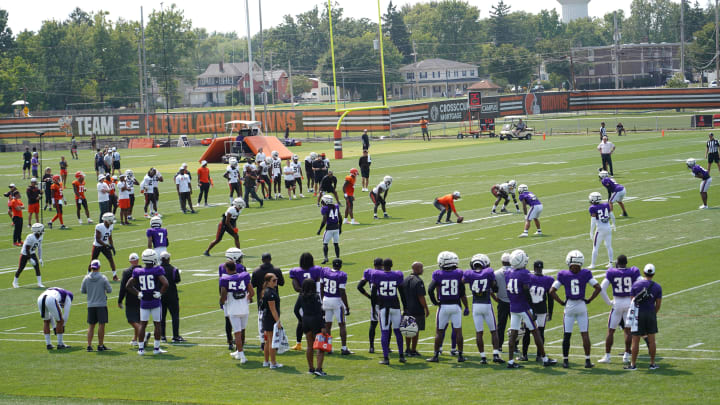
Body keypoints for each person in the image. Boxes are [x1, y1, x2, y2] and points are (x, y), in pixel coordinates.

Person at [549, 250, 602, 369]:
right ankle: (587, 360)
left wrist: (561, 302)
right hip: (581, 305)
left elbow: (552, 291)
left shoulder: (563, 275)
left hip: (570, 306)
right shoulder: (585, 273)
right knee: (584, 334)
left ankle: (565, 361)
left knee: (567, 335)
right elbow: (598, 288)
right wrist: (589, 299)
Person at [504, 249, 555, 368]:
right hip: (524, 307)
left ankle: (511, 361)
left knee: (513, 334)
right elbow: (526, 291)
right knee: (536, 332)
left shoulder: (508, 273)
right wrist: (531, 307)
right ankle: (544, 358)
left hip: (513, 307)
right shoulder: (524, 273)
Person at [426, 251, 469, 363]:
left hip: (443, 306)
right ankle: (460, 355)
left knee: (439, 332)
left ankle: (436, 355)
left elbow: (430, 289)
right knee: (458, 331)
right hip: (456, 306)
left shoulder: (438, 274)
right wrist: (466, 307)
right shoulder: (459, 273)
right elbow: (462, 292)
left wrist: (435, 302)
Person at [598, 254, 640, 364]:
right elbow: (642, 283)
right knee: (628, 330)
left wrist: (609, 302)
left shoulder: (612, 272)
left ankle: (607, 356)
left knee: (611, 330)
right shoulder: (633, 271)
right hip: (629, 302)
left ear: (617, 262)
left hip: (617, 302)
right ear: (626, 263)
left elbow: (602, 288)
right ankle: (626, 355)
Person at [462, 254, 504, 364]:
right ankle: (495, 355)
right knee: (493, 331)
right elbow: (494, 286)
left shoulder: (468, 273)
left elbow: (462, 281)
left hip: (476, 306)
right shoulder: (489, 272)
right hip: (486, 305)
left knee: (479, 332)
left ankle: (483, 357)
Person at [127, 249, 169, 355]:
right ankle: (156, 349)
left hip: (144, 301)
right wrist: (160, 293)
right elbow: (166, 283)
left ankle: (141, 349)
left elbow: (128, 285)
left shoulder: (138, 271)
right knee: (157, 325)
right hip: (154, 301)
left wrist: (138, 293)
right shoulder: (157, 270)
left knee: (143, 325)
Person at [625, 263, 662, 370]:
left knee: (635, 341)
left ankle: (633, 364)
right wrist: (653, 314)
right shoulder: (657, 287)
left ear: (644, 272)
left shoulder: (636, 285)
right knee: (652, 340)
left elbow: (632, 302)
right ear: (653, 273)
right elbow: (658, 304)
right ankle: (652, 363)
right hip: (650, 314)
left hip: (638, 314)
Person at [371, 258, 406, 365]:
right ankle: (401, 356)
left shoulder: (377, 275)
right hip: (395, 306)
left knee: (385, 332)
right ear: (392, 265)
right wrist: (405, 307)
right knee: (397, 331)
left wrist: (373, 308)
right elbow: (402, 292)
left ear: (382, 265)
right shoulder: (397, 275)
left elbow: (373, 295)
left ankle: (386, 358)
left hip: (383, 307)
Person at [220, 260, 254, 362]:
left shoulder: (225, 279)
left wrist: (222, 302)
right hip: (244, 308)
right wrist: (246, 298)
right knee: (242, 330)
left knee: (237, 333)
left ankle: (242, 355)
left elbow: (223, 296)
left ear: (227, 269)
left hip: (233, 310)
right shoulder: (244, 276)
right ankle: (239, 351)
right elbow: (252, 293)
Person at [521, 260, 554, 362]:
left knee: (526, 332)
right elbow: (550, 297)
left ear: (534, 268)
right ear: (542, 268)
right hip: (542, 309)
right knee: (540, 332)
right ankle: (539, 355)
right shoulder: (548, 279)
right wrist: (550, 312)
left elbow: (524, 294)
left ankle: (524, 355)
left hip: (529, 309)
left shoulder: (528, 277)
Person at [289, 252, 323, 351]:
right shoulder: (317, 269)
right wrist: (312, 292)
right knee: (318, 320)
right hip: (315, 297)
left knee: (301, 322)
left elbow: (296, 287)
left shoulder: (296, 271)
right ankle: (319, 343)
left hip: (303, 298)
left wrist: (304, 292)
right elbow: (319, 284)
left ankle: (298, 343)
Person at [251, 252, 285, 351]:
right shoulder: (276, 270)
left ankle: (263, 342)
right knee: (275, 319)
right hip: (273, 299)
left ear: (262, 260)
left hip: (261, 300)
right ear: (270, 259)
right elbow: (282, 283)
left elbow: (252, 285)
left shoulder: (256, 271)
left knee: (261, 322)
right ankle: (275, 342)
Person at [294, 278, 327, 375]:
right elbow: (319, 312)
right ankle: (319, 369)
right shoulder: (315, 296)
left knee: (309, 346)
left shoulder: (301, 296)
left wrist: (301, 320)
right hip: (315, 321)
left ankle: (311, 368)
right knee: (320, 347)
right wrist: (323, 325)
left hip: (306, 321)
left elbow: (296, 310)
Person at [321, 259, 352, 355]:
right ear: (341, 266)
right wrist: (347, 306)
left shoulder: (325, 271)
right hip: (337, 300)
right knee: (342, 324)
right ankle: (343, 348)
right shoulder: (342, 275)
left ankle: (328, 347)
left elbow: (321, 286)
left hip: (326, 299)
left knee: (327, 325)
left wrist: (322, 300)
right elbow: (342, 291)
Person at [81, 259, 112, 352]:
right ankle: (100, 345)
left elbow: (83, 291)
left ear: (91, 267)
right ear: (99, 267)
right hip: (101, 304)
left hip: (90, 305)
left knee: (91, 326)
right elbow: (109, 290)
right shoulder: (103, 278)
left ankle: (89, 345)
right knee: (101, 325)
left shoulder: (86, 278)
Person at [400, 262, 429, 357]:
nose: (422, 270)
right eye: (421, 268)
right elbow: (421, 297)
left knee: (408, 330)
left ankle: (407, 349)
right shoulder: (418, 281)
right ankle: (413, 350)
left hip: (407, 309)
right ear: (416, 269)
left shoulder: (405, 279)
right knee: (415, 331)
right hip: (417, 310)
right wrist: (426, 308)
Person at [357, 257, 384, 353]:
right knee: (386, 325)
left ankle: (371, 347)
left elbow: (359, 287)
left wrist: (369, 297)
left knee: (373, 324)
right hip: (385, 301)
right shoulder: (385, 273)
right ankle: (386, 346)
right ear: (382, 265)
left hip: (375, 302)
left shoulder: (369, 272)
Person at [159, 251, 184, 343]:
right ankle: (175, 336)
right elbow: (177, 280)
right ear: (168, 259)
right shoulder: (174, 269)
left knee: (162, 317)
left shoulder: (157, 269)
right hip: (172, 295)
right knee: (175, 316)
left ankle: (162, 336)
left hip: (161, 296)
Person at [260, 273, 283, 368]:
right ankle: (273, 363)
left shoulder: (269, 291)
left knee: (268, 341)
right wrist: (278, 321)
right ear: (268, 281)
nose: (276, 281)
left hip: (267, 318)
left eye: (276, 279)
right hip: (270, 319)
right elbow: (272, 309)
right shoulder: (270, 293)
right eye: (273, 280)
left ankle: (266, 361)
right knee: (271, 341)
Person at [119, 253, 142, 347]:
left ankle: (143, 333)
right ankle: (135, 339)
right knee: (139, 319)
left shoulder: (126, 272)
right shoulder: (144, 270)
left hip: (130, 298)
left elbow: (123, 287)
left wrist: (120, 300)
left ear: (130, 261)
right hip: (142, 297)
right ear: (138, 260)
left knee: (131, 319)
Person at [588, 192, 615, 269]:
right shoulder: (606, 204)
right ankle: (611, 263)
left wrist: (591, 232)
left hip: (600, 229)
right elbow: (612, 215)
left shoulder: (592, 208)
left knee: (595, 247)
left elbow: (593, 222)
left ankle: (593, 264)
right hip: (608, 227)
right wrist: (613, 224)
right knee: (609, 246)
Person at [13, 223, 45, 288]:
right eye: (42, 229)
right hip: (25, 254)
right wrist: (30, 259)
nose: (43, 230)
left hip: (32, 252)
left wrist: (40, 258)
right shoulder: (30, 237)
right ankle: (14, 282)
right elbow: (26, 249)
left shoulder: (41, 236)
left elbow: (39, 247)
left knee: (37, 267)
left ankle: (39, 283)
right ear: (38, 230)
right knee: (21, 268)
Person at [91, 212, 117, 281]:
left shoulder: (111, 226)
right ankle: (88, 275)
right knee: (93, 261)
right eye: (110, 220)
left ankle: (115, 276)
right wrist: (107, 245)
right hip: (97, 246)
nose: (112, 222)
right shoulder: (99, 226)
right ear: (106, 221)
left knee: (111, 259)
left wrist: (112, 246)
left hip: (105, 245)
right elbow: (98, 239)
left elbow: (110, 237)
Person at [317, 195, 342, 265]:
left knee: (325, 244)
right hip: (336, 228)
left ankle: (326, 258)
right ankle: (338, 258)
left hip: (329, 229)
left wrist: (320, 229)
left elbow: (324, 220)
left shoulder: (325, 208)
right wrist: (340, 228)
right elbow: (340, 218)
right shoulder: (336, 206)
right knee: (336, 244)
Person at [494, 252, 512, 350]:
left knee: (501, 325)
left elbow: (491, 289)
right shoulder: (515, 272)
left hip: (502, 301)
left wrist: (495, 298)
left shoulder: (496, 273)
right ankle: (515, 345)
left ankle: (499, 345)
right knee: (515, 325)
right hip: (514, 302)